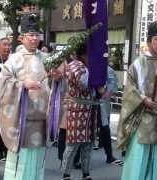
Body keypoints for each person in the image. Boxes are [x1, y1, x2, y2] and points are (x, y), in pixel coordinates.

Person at [0, 14, 53, 180]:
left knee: (37, 162)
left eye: (37, 35)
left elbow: (56, 84)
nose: (34, 38)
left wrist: (57, 78)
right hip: (21, 120)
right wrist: (22, 84)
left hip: (42, 118)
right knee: (19, 163)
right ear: (22, 38)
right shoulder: (14, 60)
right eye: (31, 35)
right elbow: (4, 83)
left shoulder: (46, 59)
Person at [117, 21, 157, 180]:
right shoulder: (138, 63)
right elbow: (129, 88)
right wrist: (143, 99)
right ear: (149, 41)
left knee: (153, 158)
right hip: (141, 118)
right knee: (138, 158)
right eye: (156, 39)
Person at [61, 43, 101, 180]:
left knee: (88, 144)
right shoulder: (75, 66)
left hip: (89, 110)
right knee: (73, 144)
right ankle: (66, 174)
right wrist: (96, 74)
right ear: (84, 54)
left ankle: (86, 173)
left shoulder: (83, 65)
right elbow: (84, 84)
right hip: (78, 110)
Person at [96, 66, 123, 165]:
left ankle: (109, 155)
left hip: (100, 102)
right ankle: (109, 155)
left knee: (104, 128)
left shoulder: (106, 68)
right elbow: (112, 85)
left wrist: (107, 94)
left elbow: (112, 84)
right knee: (103, 128)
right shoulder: (104, 68)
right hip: (94, 101)